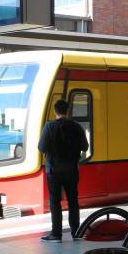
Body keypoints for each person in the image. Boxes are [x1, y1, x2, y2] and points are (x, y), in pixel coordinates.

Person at [38, 99, 89, 242]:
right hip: (71, 170)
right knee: (73, 201)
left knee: (55, 202)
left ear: (55, 111)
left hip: (53, 171)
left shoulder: (49, 127)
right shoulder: (76, 127)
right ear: (68, 111)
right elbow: (85, 147)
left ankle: (56, 234)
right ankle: (76, 233)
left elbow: (41, 148)